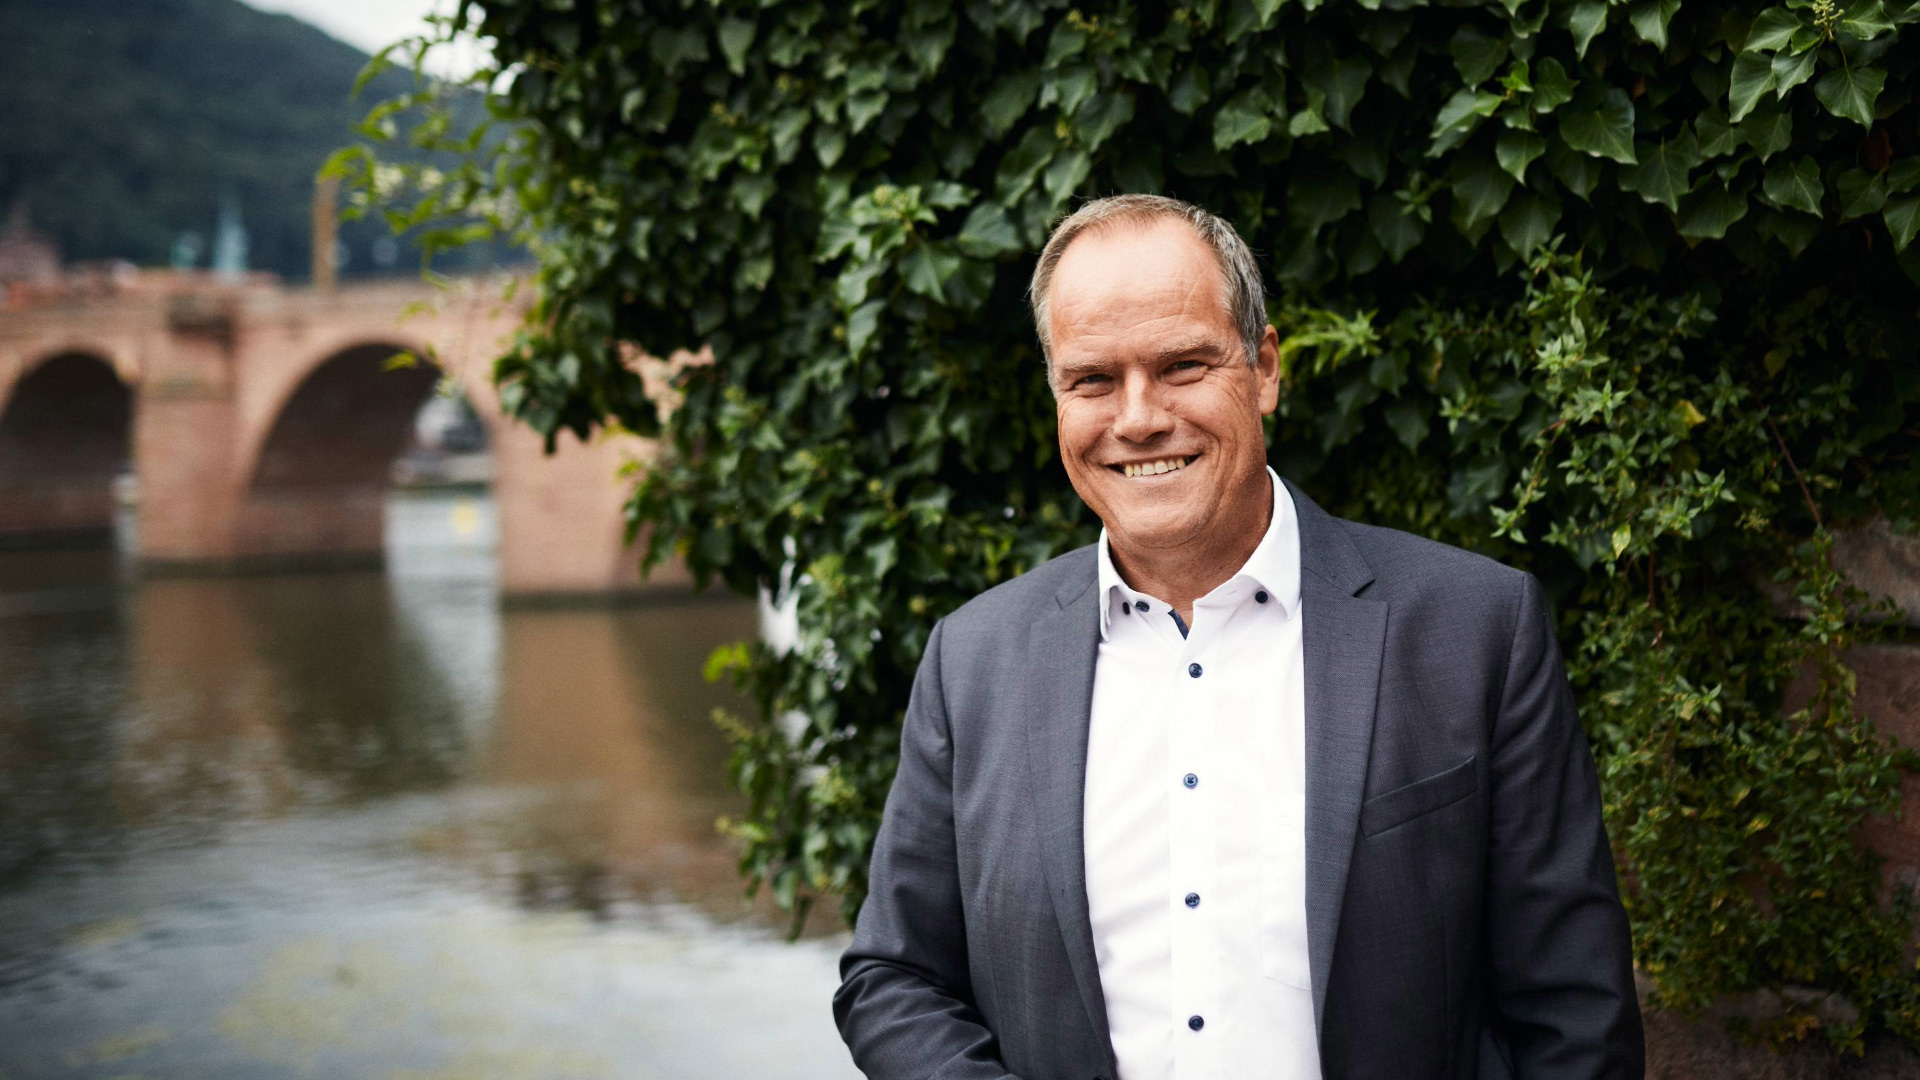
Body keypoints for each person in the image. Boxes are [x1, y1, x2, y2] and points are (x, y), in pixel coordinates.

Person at [832, 194, 1644, 1080]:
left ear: (1263, 369)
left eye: (1182, 365)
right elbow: (894, 975)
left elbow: (1576, 1012)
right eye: (1093, 380)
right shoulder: (973, 660)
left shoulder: (1477, 630)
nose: (1137, 418)